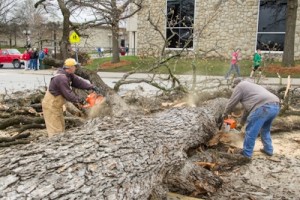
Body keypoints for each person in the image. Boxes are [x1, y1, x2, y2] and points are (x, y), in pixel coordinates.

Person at [42, 58, 103, 137]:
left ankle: (60, 144)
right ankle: (55, 146)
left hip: (56, 105)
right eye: (75, 66)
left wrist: (91, 87)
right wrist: (80, 100)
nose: (76, 68)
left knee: (61, 127)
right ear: (70, 67)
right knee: (55, 130)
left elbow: (79, 82)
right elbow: (68, 94)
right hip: (50, 105)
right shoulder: (61, 78)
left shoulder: (69, 75)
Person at [223, 78, 280, 159]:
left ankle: (246, 154)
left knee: (251, 131)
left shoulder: (240, 86)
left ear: (236, 84)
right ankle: (268, 149)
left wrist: (225, 114)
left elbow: (232, 101)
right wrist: (241, 124)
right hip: (275, 105)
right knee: (265, 129)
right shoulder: (251, 87)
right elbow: (247, 110)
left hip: (263, 107)